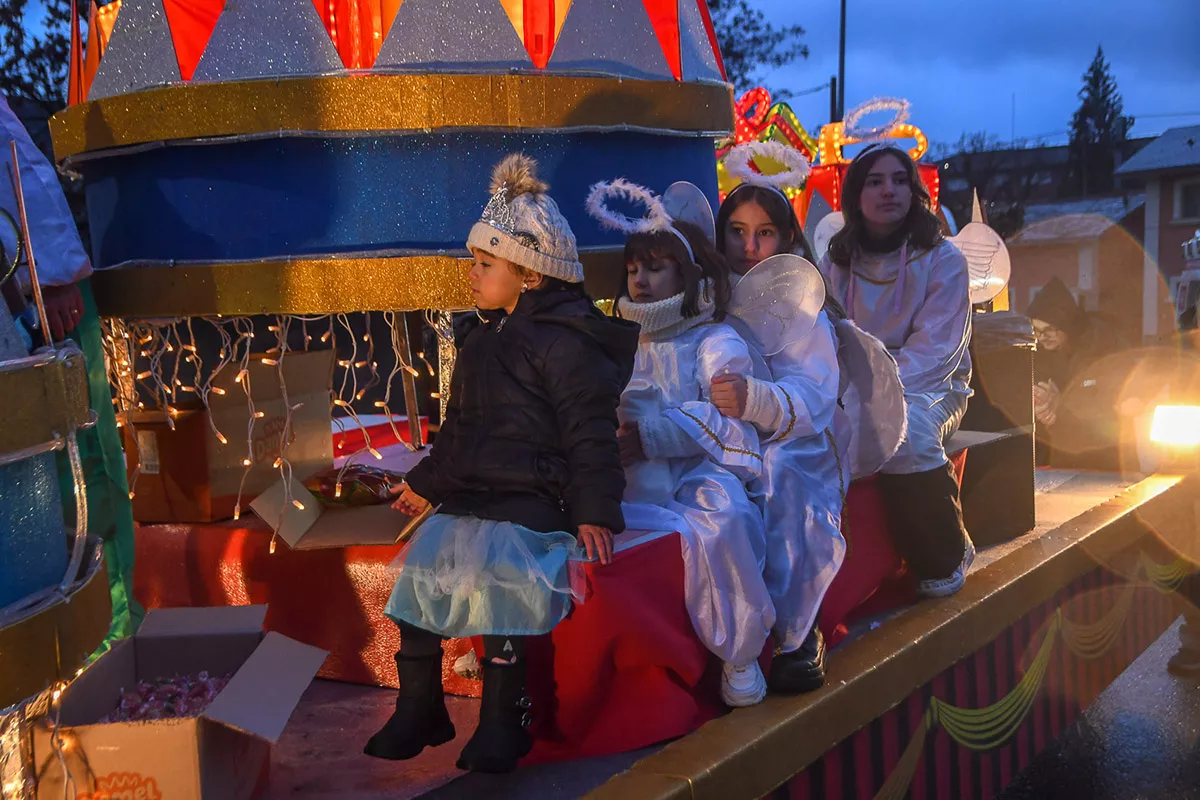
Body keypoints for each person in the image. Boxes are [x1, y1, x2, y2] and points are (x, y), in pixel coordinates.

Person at [366, 154, 638, 772]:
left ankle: (502, 719)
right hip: (472, 493)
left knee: (503, 589)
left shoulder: (567, 344)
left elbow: (590, 433)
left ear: (530, 275)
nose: (471, 274)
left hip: (529, 497)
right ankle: (419, 705)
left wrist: (596, 510)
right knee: (422, 576)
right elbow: (460, 431)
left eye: (485, 264)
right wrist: (428, 485)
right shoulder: (481, 337)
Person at [588, 179, 775, 707]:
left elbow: (724, 409)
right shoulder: (616, 338)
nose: (640, 280)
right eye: (633, 269)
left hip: (697, 469)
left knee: (727, 517)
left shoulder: (712, 337)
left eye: (655, 267)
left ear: (686, 274)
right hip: (627, 475)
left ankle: (739, 652)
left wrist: (654, 434)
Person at [1, 91, 141, 641]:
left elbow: (12, 157)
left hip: (34, 298)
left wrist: (53, 272)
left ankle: (109, 631)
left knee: (73, 464)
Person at [710, 166, 848, 693]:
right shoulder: (710, 294)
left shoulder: (805, 310)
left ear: (787, 237)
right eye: (738, 232)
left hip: (800, 436)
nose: (749, 246)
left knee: (778, 473)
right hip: (722, 428)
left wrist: (757, 402)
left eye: (764, 232)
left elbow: (815, 395)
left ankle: (798, 629)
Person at [820, 143, 975, 598]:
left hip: (932, 388)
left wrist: (876, 396)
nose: (889, 190)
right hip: (853, 386)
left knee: (904, 434)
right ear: (856, 194)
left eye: (900, 180)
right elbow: (826, 337)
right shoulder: (836, 262)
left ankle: (946, 552)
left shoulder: (945, 260)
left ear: (914, 191)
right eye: (875, 181)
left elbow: (936, 351)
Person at [1026, 276, 1127, 469]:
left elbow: (1107, 403)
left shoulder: (1100, 348)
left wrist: (1060, 403)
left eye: (1049, 329)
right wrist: (1042, 409)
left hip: (1103, 459)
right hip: (1061, 458)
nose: (1042, 337)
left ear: (1066, 325)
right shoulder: (1039, 355)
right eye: (1036, 330)